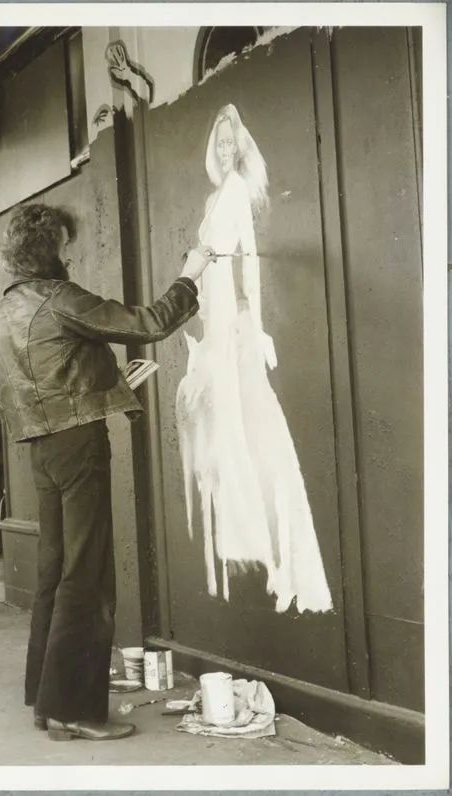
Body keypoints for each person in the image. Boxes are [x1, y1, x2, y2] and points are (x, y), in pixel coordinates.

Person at [0, 203, 216, 742]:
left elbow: (24, 391)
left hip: (41, 449)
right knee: (87, 574)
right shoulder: (60, 298)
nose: (71, 251)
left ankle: (44, 695)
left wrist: (107, 386)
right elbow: (148, 322)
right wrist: (192, 272)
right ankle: (73, 711)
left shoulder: (0, 318)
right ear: (48, 250)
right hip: (78, 445)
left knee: (55, 568)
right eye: (66, 243)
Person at [175, 103, 332, 613]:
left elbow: (249, 260)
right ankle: (245, 533)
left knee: (245, 415)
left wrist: (256, 325)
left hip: (228, 309)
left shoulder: (238, 190)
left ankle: (271, 547)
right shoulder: (216, 194)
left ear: (240, 149)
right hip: (210, 305)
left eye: (231, 144)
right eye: (219, 143)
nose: (225, 151)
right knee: (221, 417)